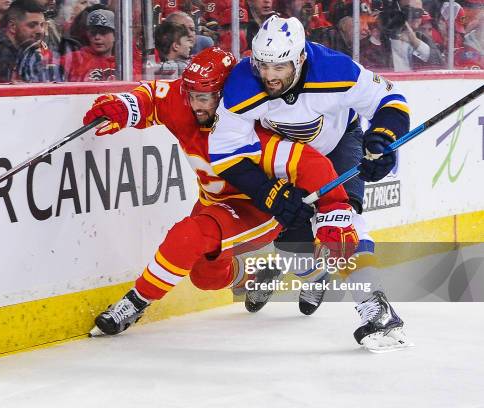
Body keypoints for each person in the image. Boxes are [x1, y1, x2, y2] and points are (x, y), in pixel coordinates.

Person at [81, 47, 359, 336]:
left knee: (189, 235)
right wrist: (124, 106)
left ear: (225, 95)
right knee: (206, 278)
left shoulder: (253, 127)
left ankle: (134, 303)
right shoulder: (187, 101)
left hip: (256, 210)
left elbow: (313, 166)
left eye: (203, 98)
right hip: (212, 203)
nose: (195, 106)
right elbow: (153, 96)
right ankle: (259, 274)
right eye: (191, 96)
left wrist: (335, 210)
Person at [207, 15, 412, 351]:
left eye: (280, 67)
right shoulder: (243, 83)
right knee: (294, 239)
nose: (269, 76)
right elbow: (227, 154)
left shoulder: (335, 70)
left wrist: (383, 140)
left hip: (339, 144)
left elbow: (390, 101)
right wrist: (267, 192)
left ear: (300, 58)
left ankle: (375, 308)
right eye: (262, 65)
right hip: (288, 155)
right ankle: (293, 266)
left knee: (344, 220)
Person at [0, 0, 46, 83]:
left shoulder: (30, 51)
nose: (40, 31)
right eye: (32, 25)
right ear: (12, 27)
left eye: (42, 25)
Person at [62, 8, 116, 81]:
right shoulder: (74, 60)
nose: (97, 37)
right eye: (93, 32)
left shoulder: (126, 63)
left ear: (115, 35)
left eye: (103, 32)